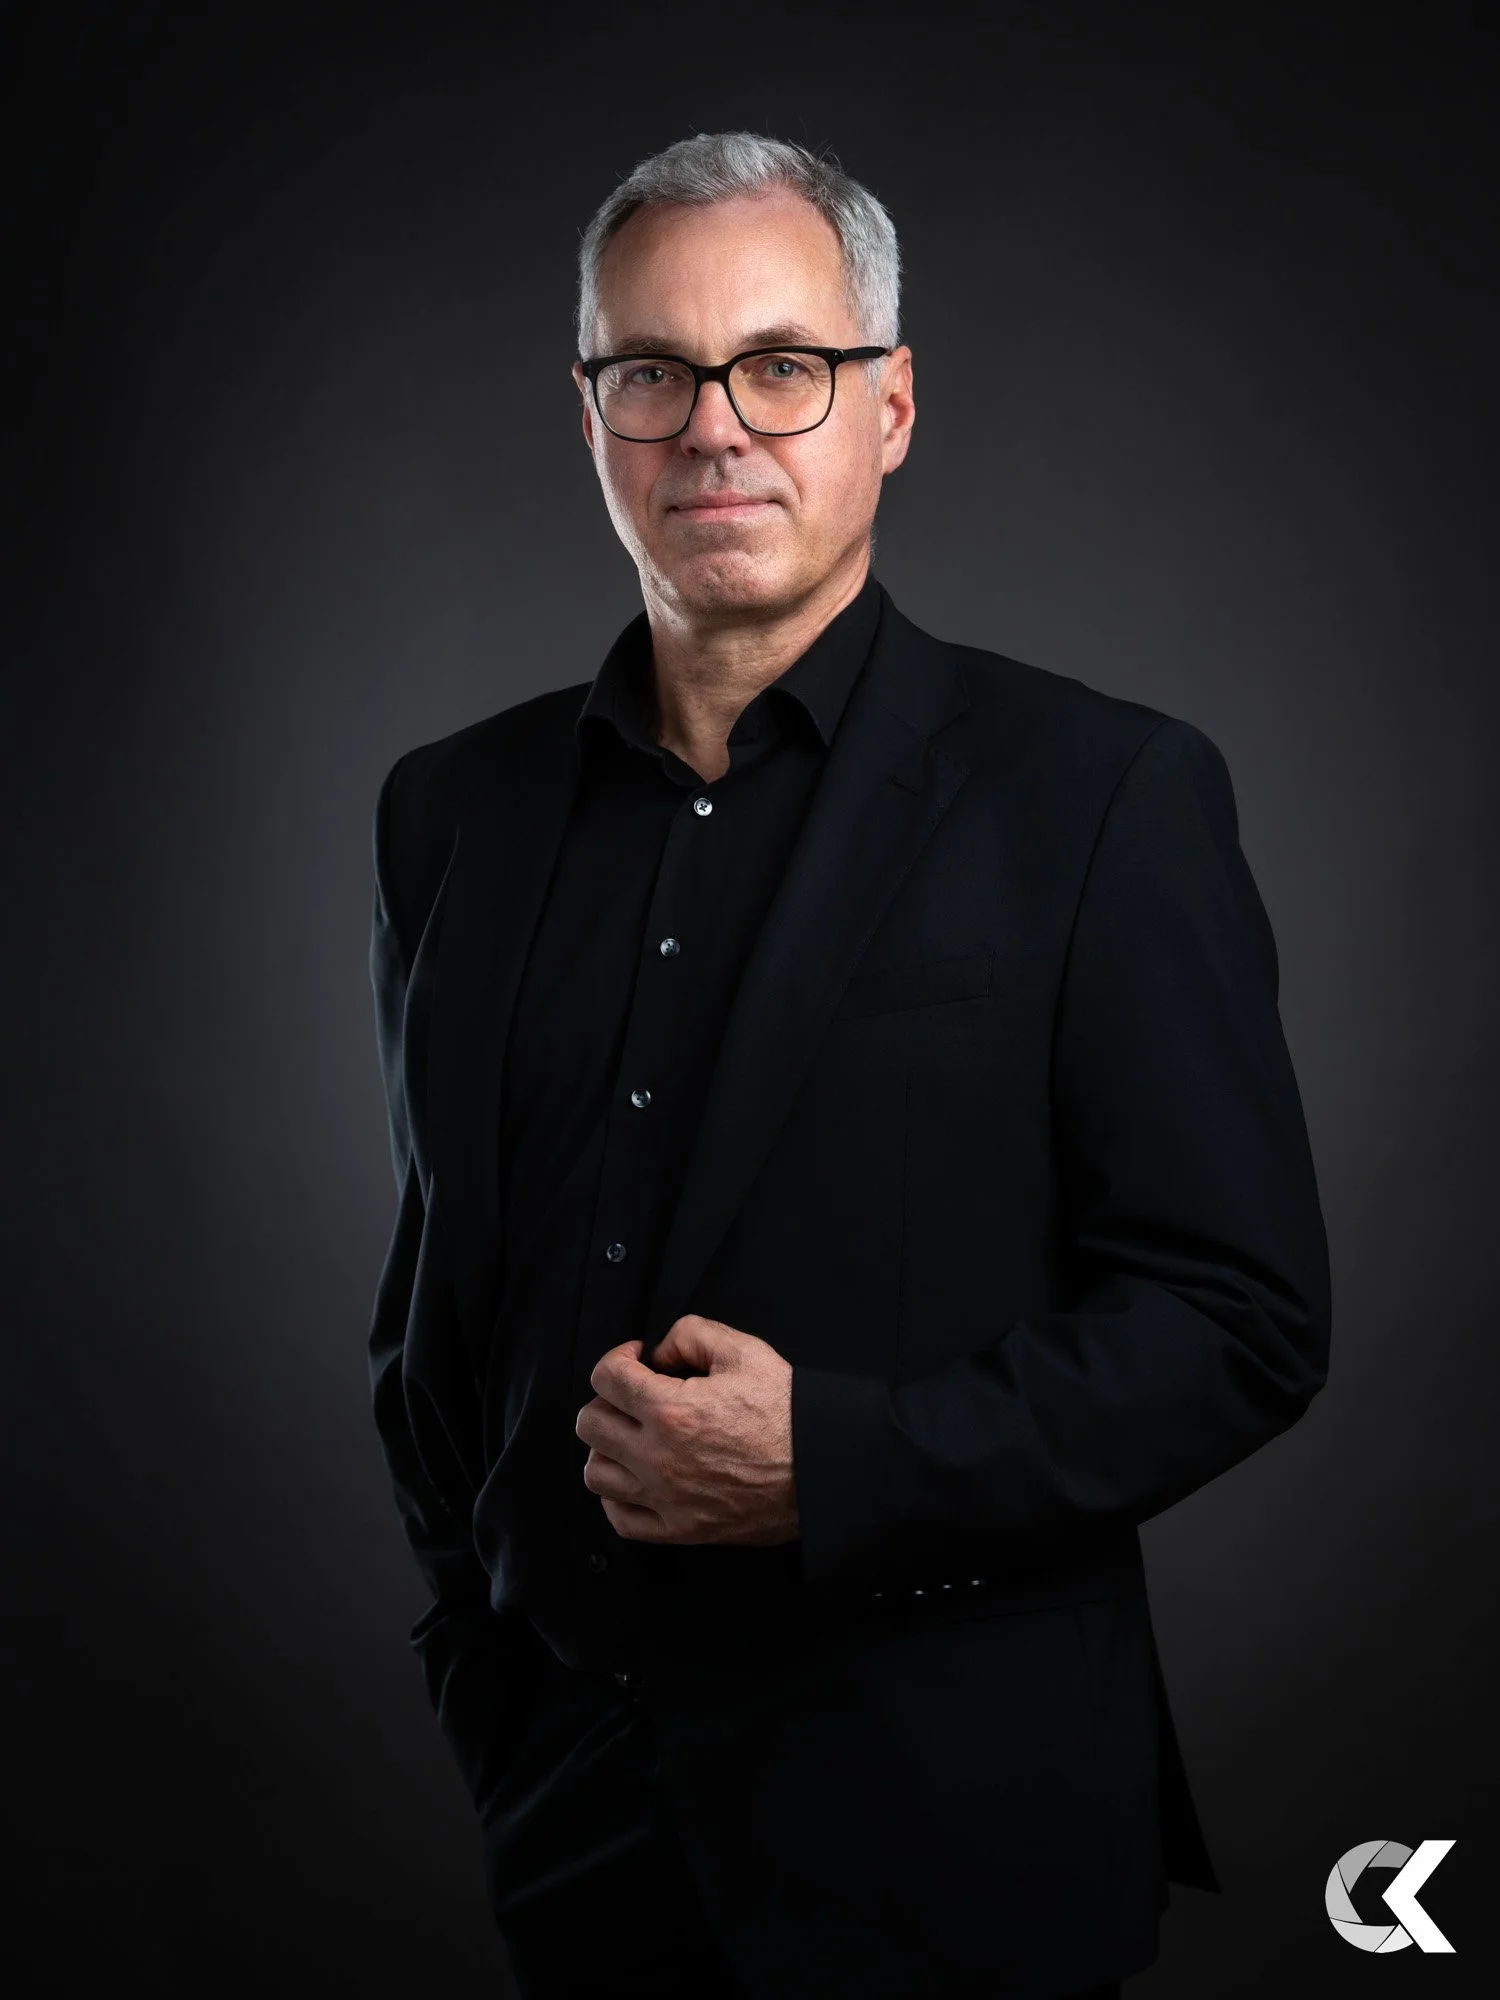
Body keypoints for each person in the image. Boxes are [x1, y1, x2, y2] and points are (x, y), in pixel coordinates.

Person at [365, 131, 1331, 1999]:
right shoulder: (448, 816)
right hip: (574, 1825)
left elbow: (1242, 1321)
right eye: (652, 371)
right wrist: (479, 1654)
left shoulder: (1104, 797)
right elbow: (434, 1308)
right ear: (591, 420)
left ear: (888, 406)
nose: (715, 428)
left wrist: (838, 1460)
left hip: (960, 1837)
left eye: (781, 367)